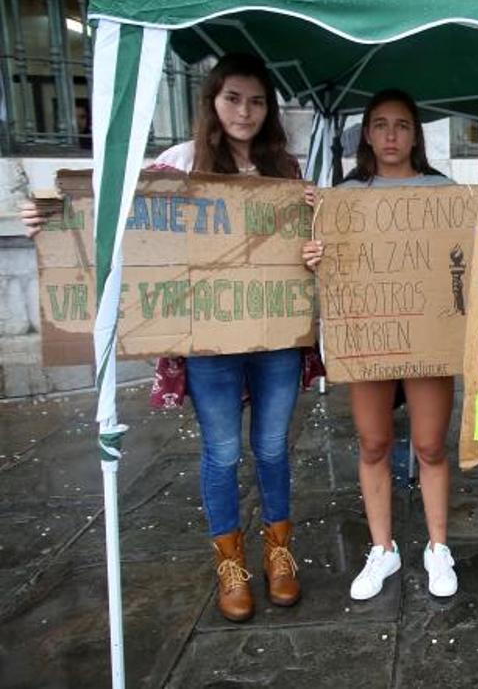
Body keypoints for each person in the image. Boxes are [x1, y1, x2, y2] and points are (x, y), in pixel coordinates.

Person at [22, 53, 308, 623]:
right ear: (213, 101)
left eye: (256, 101)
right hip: (206, 339)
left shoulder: (287, 169)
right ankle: (230, 562)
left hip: (275, 334)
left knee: (273, 446)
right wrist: (55, 217)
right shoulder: (180, 162)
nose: (245, 112)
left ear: (268, 108)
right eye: (233, 98)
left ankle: (280, 553)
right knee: (222, 450)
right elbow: (124, 216)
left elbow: (311, 240)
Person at [302, 89, 459, 601]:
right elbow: (326, 269)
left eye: (402, 125)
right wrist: (316, 250)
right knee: (373, 443)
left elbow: (462, 258)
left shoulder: (444, 191)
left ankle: (438, 547)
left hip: (427, 334)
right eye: (381, 125)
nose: (391, 136)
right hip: (369, 333)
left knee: (431, 445)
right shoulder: (342, 198)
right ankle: (382, 548)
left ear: (416, 135)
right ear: (366, 134)